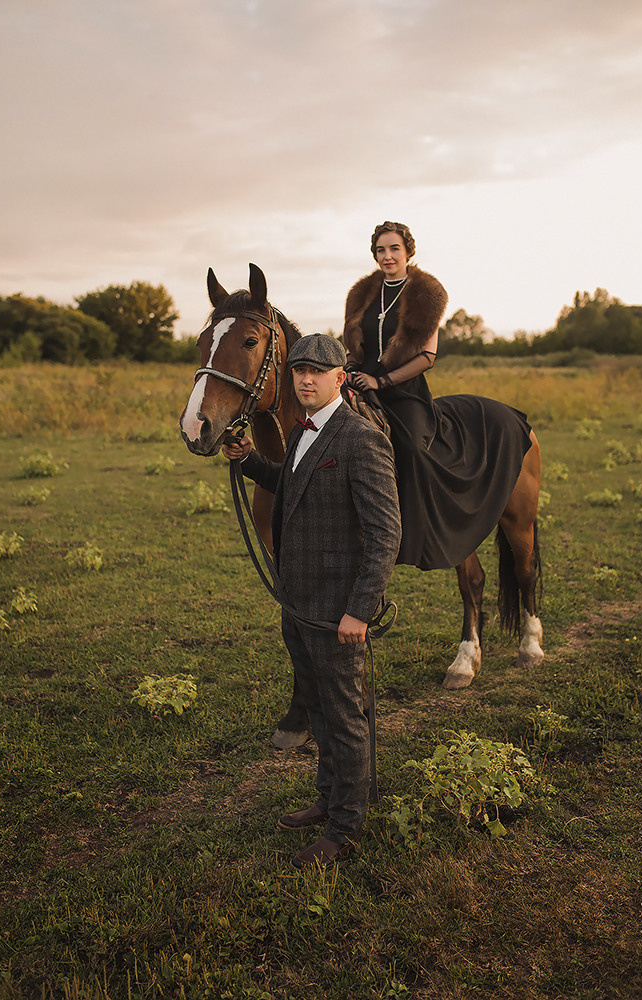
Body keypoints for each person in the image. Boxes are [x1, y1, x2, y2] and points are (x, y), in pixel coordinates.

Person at [222, 333, 401, 869]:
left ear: (340, 378)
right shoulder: (304, 432)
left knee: (345, 715)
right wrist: (251, 461)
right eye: (299, 371)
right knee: (319, 711)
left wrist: (359, 611)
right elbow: (292, 485)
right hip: (298, 604)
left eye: (318, 372)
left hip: (336, 613)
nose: (305, 380)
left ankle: (347, 825)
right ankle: (328, 798)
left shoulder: (359, 439)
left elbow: (385, 532)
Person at [343, 220, 534, 570]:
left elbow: (427, 357)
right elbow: (353, 344)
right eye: (380, 250)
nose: (387, 256)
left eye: (394, 249)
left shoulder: (427, 293)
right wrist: (353, 370)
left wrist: (381, 382)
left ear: (408, 252)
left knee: (414, 446)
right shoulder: (360, 294)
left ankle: (412, 533)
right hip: (358, 385)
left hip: (403, 392)